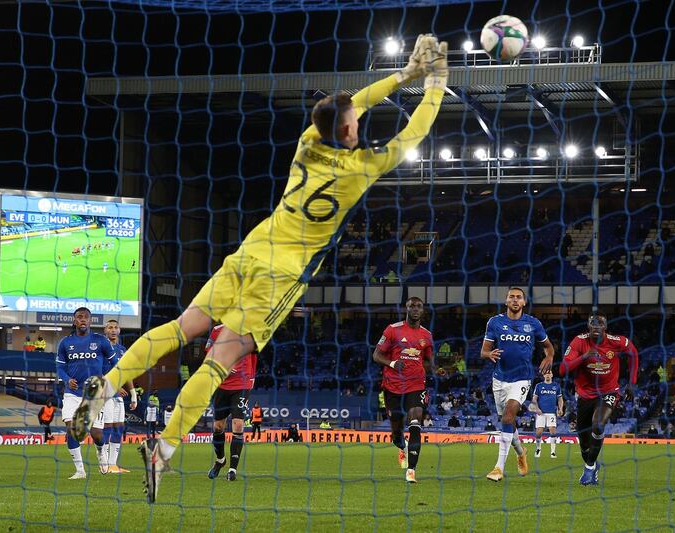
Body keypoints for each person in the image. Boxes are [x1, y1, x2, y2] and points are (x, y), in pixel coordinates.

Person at [70, 33, 449, 503]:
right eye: (353, 118)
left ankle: (106, 386)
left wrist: (404, 73)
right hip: (281, 275)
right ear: (351, 130)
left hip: (252, 249)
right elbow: (412, 133)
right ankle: (163, 452)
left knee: (182, 326)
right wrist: (434, 81)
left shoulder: (309, 142)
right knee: (219, 361)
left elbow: (351, 104)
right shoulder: (362, 168)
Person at [481, 287, 554, 482]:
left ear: (524, 302)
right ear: (506, 301)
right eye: (511, 297)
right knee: (507, 422)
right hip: (499, 379)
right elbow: (484, 351)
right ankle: (521, 452)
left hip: (522, 378)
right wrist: (489, 354)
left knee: (508, 416)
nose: (515, 300)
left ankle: (498, 468)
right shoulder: (495, 322)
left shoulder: (533, 323)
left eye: (518, 297)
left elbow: (548, 347)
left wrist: (550, 357)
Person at [560, 313, 639, 486]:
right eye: (592, 324)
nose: (596, 327)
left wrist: (632, 383)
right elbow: (562, 369)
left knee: (598, 424)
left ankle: (588, 470)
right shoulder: (579, 342)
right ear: (588, 327)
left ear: (605, 327)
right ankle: (592, 464)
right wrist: (583, 357)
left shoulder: (616, 341)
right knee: (584, 446)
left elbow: (633, 353)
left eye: (600, 324)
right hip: (585, 396)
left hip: (609, 392)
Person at [372, 296, 439, 484]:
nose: (416, 309)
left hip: (416, 384)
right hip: (393, 385)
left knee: (415, 419)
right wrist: (392, 362)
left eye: (419, 306)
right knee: (396, 430)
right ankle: (400, 444)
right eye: (412, 306)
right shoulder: (393, 330)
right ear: (406, 309)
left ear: (423, 311)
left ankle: (411, 470)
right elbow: (376, 355)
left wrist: (436, 368)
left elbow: (430, 358)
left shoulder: (426, 335)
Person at [55, 307, 116, 479]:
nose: (83, 320)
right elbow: (60, 367)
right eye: (79, 317)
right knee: (71, 428)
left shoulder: (101, 341)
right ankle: (80, 471)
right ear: (75, 321)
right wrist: (67, 379)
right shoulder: (65, 343)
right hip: (72, 393)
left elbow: (115, 364)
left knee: (96, 434)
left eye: (86, 317)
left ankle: (100, 451)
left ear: (90, 321)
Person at [206, 324, 258, 481]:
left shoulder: (252, 330)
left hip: (242, 384)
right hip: (222, 385)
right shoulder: (217, 331)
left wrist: (251, 377)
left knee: (238, 425)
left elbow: (255, 355)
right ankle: (220, 461)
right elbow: (209, 353)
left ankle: (233, 469)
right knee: (218, 426)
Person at [102, 320, 138, 474]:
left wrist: (133, 393)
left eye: (116, 327)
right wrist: (116, 386)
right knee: (107, 428)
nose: (113, 330)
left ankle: (113, 465)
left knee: (119, 428)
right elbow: (99, 372)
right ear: (105, 330)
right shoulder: (101, 348)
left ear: (120, 330)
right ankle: (103, 464)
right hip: (105, 393)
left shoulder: (123, 350)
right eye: (110, 327)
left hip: (119, 395)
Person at [532, 370, 564, 459]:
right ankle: (538, 448)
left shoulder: (556, 386)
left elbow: (560, 399)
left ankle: (553, 452)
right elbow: (534, 399)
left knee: (553, 430)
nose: (548, 375)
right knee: (539, 432)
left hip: (551, 413)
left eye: (549, 373)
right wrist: (537, 408)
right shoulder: (539, 386)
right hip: (541, 412)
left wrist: (560, 408)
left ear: (552, 375)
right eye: (546, 373)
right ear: (543, 375)